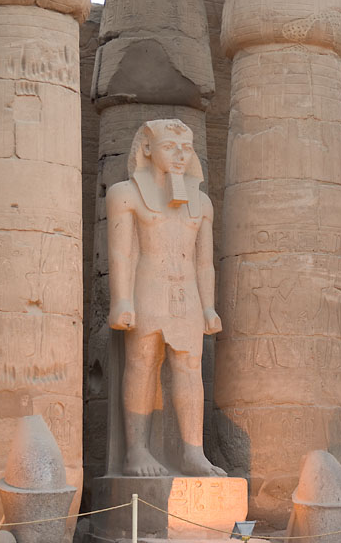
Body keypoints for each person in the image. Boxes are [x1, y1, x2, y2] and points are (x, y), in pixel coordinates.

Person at [107, 119, 225, 477]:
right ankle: (136, 451)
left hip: (187, 292)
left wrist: (208, 306)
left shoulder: (201, 203)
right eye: (170, 147)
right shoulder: (125, 194)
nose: (180, 155)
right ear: (147, 148)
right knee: (142, 361)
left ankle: (193, 451)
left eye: (186, 148)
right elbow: (122, 253)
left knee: (190, 367)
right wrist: (121, 300)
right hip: (148, 286)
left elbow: (204, 262)